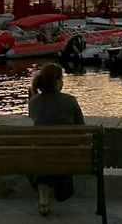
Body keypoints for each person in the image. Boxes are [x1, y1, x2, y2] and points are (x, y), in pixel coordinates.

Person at [28, 63, 85, 217]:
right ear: (57, 81)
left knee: (41, 153)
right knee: (56, 153)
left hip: (41, 156)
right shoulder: (70, 100)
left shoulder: (33, 102)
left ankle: (43, 197)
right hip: (66, 156)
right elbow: (81, 128)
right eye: (61, 78)